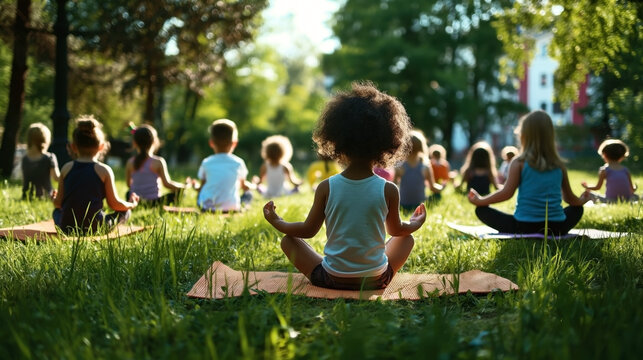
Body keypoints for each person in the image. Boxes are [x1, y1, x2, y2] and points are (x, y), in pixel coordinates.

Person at [263, 82, 426, 290]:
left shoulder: (326, 187)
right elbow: (397, 229)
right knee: (407, 239)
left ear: (336, 142)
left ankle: (344, 269)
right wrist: (415, 222)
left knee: (288, 241)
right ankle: (372, 271)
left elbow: (307, 230)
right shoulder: (388, 189)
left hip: (331, 279)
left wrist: (278, 221)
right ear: (386, 145)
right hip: (375, 280)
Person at [468, 110, 590, 235]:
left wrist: (481, 201)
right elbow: (570, 198)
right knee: (577, 209)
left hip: (523, 227)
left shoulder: (519, 163)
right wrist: (581, 201)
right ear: (550, 135)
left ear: (523, 135)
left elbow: (506, 193)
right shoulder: (559, 165)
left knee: (481, 210)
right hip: (556, 228)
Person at [53, 116, 138, 234]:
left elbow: (58, 203)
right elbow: (114, 204)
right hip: (95, 228)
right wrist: (131, 204)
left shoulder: (66, 168)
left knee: (56, 212)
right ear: (102, 146)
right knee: (125, 212)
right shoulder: (104, 170)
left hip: (66, 228)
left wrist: (53, 198)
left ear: (73, 146)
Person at [196, 119, 254, 212]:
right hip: (231, 208)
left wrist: (194, 186)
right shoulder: (238, 163)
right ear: (234, 143)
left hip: (207, 208)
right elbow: (244, 186)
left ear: (211, 143)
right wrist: (252, 185)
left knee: (200, 196)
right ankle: (242, 208)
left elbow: (201, 187)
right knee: (249, 195)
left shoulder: (206, 162)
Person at [125, 124, 190, 206]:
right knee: (180, 193)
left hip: (137, 201)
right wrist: (184, 186)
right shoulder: (158, 162)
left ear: (134, 143)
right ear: (154, 142)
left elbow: (129, 185)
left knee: (128, 193)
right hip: (154, 203)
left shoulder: (130, 162)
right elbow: (167, 184)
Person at [394, 130, 443, 211]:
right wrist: (442, 187)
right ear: (421, 147)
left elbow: (393, 188)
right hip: (420, 206)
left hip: (403, 205)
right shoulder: (425, 167)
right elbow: (433, 188)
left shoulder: (400, 167)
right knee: (437, 196)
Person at [21, 123, 60, 199]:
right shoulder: (49, 157)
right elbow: (56, 177)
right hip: (46, 197)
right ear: (45, 140)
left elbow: (24, 181)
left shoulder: (25, 159)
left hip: (27, 197)